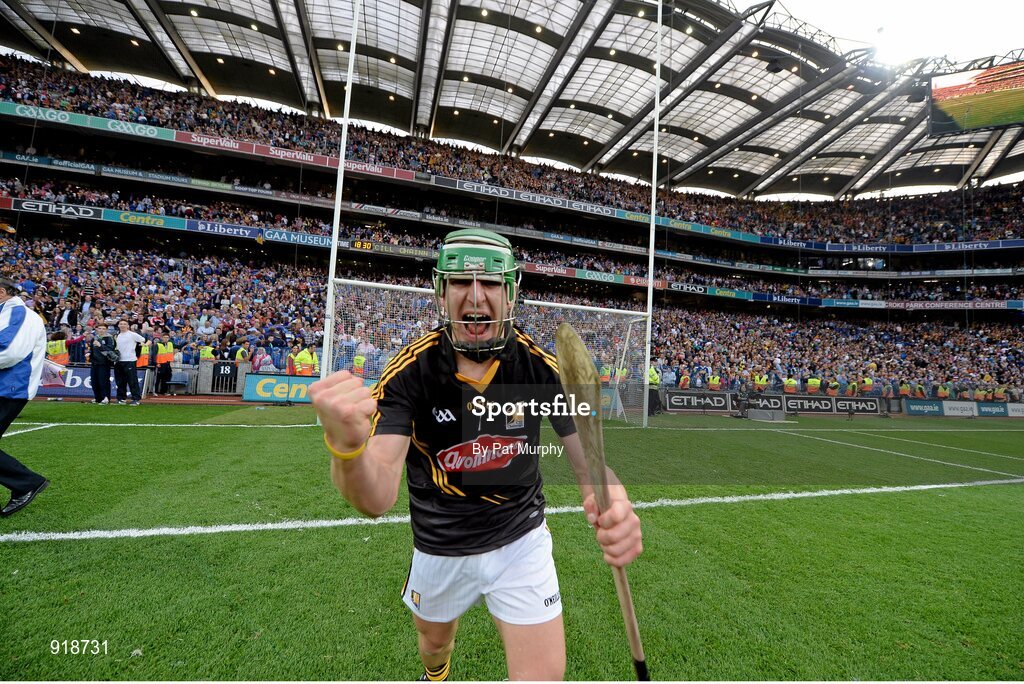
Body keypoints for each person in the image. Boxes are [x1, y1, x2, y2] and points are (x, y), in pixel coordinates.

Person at [309, 229, 642, 681]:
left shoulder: (540, 368)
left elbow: (589, 465)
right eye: (461, 282)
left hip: (520, 539)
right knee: (433, 642)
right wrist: (347, 449)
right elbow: (377, 496)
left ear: (510, 295)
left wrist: (615, 501)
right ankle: (437, 669)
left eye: (490, 284)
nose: (476, 296)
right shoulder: (411, 372)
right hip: (440, 541)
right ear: (441, 293)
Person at [0, 277, 50, 516]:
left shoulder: (20, 314)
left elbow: (8, 352)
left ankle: (26, 483)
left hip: (10, 388)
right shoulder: (9, 313)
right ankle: (25, 483)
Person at [114, 319, 145, 405]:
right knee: (120, 381)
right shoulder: (117, 335)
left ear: (128, 326)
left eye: (124, 324)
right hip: (118, 361)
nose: (123, 325)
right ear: (119, 325)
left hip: (130, 360)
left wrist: (143, 344)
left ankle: (136, 399)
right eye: (121, 324)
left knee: (132, 381)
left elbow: (143, 340)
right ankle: (121, 398)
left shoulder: (132, 335)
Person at [88, 323, 117, 404]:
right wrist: (89, 355)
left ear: (106, 330)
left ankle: (106, 397)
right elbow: (92, 349)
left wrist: (100, 346)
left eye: (103, 329)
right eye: (100, 328)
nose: (101, 330)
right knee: (94, 381)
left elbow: (110, 350)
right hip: (94, 362)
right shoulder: (94, 338)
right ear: (97, 329)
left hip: (104, 363)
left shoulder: (109, 338)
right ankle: (98, 398)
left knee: (103, 381)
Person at [154, 331, 174, 396]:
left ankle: (163, 391)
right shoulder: (157, 344)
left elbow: (178, 346)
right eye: (164, 337)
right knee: (158, 378)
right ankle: (155, 391)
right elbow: (154, 355)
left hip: (167, 364)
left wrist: (186, 343)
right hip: (160, 364)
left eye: (167, 337)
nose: (166, 339)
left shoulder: (170, 344)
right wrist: (156, 363)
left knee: (166, 378)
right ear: (162, 338)